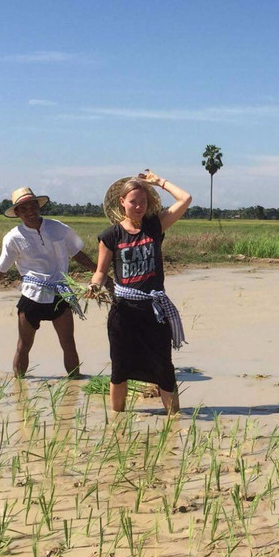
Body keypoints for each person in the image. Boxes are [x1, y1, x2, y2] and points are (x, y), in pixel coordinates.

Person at [0, 187, 96, 377]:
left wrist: (101, 275)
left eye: (33, 206)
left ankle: (75, 381)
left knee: (68, 343)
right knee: (23, 346)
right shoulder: (13, 238)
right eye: (23, 209)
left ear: (38, 207)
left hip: (60, 295)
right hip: (32, 296)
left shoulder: (58, 228)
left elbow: (78, 255)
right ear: (17, 213)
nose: (30, 212)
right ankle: (19, 384)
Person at [90, 169, 191, 416]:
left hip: (154, 311)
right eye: (133, 201)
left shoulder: (154, 226)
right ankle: (118, 421)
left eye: (143, 201)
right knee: (120, 369)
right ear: (121, 203)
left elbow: (185, 199)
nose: (138, 206)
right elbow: (101, 271)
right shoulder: (110, 235)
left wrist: (159, 182)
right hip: (124, 312)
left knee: (164, 368)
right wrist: (94, 285)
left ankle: (174, 420)